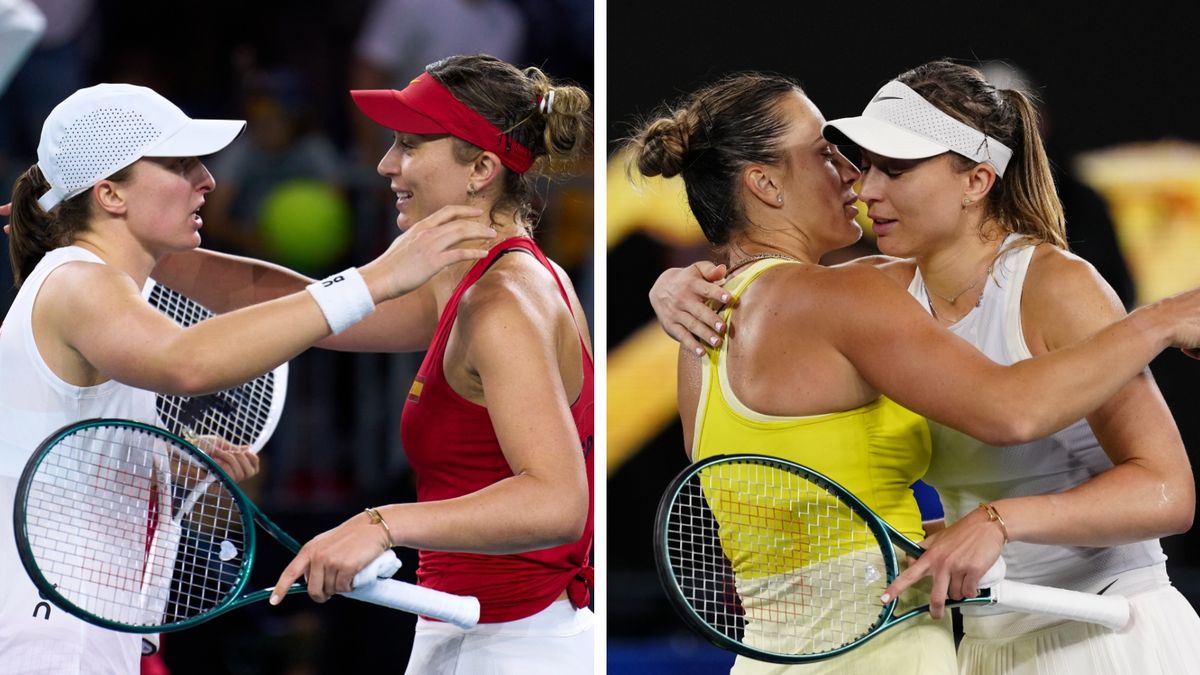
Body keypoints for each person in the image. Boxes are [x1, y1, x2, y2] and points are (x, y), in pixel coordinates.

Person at [634, 70, 1200, 674]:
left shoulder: (1055, 284)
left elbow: (1168, 491)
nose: (863, 184)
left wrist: (999, 521)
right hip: (977, 642)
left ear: (977, 181)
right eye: (857, 161)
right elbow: (1001, 415)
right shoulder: (871, 294)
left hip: (1104, 632)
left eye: (894, 169)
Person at [0, 82, 494, 674]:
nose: (207, 179)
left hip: (89, 630)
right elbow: (186, 362)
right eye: (180, 165)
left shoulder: (101, 282)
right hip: (52, 635)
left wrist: (157, 459)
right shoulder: (78, 279)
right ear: (109, 193)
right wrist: (374, 279)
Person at [144, 55, 594, 674]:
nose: (386, 164)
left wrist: (380, 525)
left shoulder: (502, 303)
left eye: (410, 146)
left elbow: (558, 502)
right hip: (469, 629)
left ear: (482, 169)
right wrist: (122, 246)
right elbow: (294, 304)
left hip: (515, 645)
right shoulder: (466, 283)